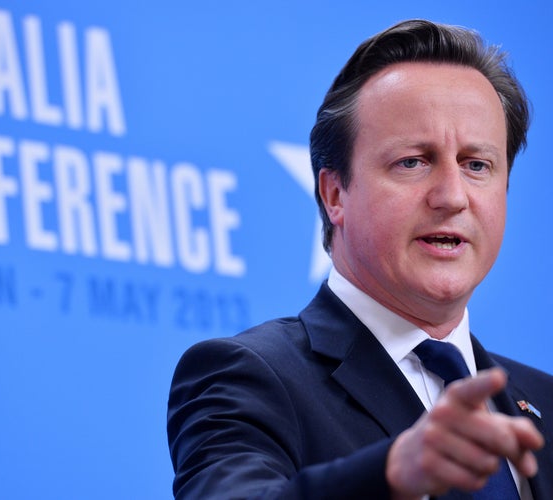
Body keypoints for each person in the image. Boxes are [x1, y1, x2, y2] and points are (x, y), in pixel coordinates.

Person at [167, 19, 553, 499]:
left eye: (477, 165)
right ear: (334, 195)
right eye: (413, 161)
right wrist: (391, 472)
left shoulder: (545, 403)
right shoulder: (249, 374)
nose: (453, 196)